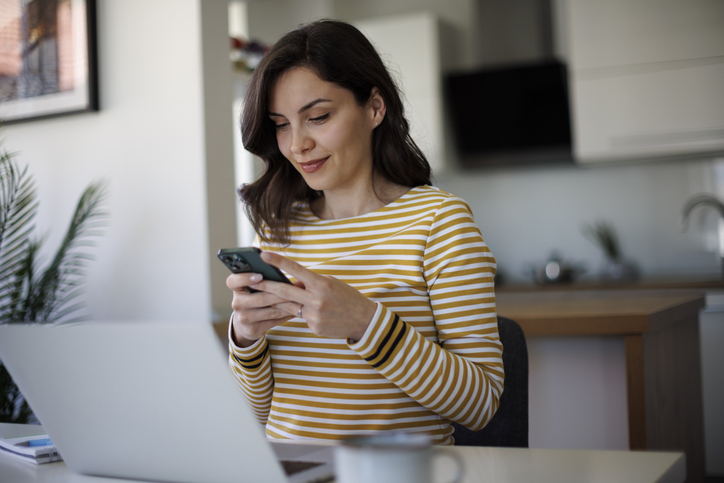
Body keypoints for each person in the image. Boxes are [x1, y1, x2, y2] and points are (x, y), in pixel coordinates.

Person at [226, 19, 503, 445]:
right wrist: (245, 338)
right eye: (281, 124)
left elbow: (480, 405)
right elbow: (256, 413)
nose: (296, 144)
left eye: (318, 117)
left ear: (375, 108)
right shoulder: (279, 229)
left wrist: (365, 323)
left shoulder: (439, 222)